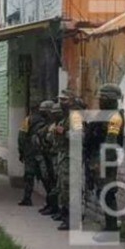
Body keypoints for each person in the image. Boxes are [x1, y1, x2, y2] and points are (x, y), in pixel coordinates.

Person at [87, 84, 125, 236]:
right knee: (101, 191)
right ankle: (110, 224)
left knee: (107, 192)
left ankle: (112, 226)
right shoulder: (102, 115)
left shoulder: (115, 117)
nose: (100, 101)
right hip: (97, 157)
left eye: (102, 99)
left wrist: (101, 162)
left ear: (110, 100)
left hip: (106, 160)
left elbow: (111, 142)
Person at [52, 90, 85, 231]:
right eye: (60, 100)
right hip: (64, 156)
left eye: (64, 100)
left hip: (72, 158)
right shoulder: (66, 117)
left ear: (71, 101)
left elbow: (80, 136)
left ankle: (72, 219)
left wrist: (63, 132)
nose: (61, 103)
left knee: (71, 188)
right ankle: (66, 216)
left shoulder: (75, 117)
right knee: (63, 188)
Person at [18, 101, 48, 206]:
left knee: (29, 176)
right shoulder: (46, 120)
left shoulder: (28, 120)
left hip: (30, 152)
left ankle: (27, 198)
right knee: (45, 176)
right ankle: (51, 201)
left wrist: (21, 151)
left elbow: (21, 136)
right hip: (42, 152)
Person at [36, 101, 60, 216]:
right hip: (46, 155)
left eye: (45, 111)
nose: (43, 114)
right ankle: (50, 204)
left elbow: (51, 139)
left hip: (53, 156)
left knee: (53, 182)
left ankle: (55, 206)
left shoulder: (55, 125)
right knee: (47, 181)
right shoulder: (47, 124)